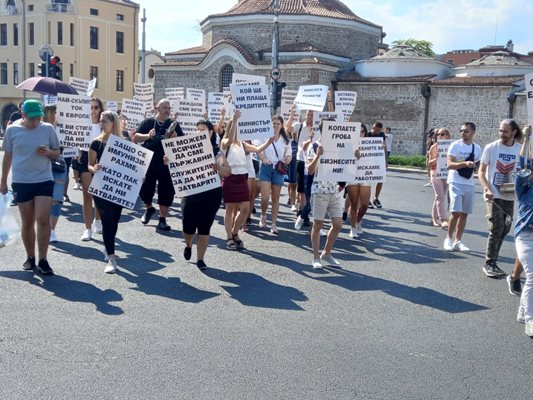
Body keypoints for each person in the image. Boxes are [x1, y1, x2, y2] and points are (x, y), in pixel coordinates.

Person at [0, 99, 60, 275]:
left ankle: (43, 259)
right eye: (32, 118)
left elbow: (57, 152)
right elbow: (7, 157)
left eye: (38, 118)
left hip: (44, 179)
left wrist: (49, 153)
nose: (35, 122)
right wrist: (3, 181)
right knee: (27, 222)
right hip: (21, 181)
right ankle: (30, 257)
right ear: (23, 115)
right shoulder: (12, 130)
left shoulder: (48, 128)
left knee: (42, 219)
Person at [179, 120, 232, 270]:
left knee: (204, 228)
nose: (199, 132)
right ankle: (188, 244)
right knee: (188, 227)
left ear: (210, 133)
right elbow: (177, 166)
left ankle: (200, 259)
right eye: (197, 129)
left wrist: (218, 168)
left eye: (203, 130)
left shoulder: (217, 152)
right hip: (191, 192)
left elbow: (228, 172)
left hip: (211, 195)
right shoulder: (187, 149)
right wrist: (169, 161)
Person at [220, 111, 274, 250]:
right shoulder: (225, 141)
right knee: (230, 208)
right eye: (235, 126)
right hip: (230, 176)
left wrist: (268, 142)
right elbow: (230, 139)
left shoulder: (242, 144)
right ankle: (229, 237)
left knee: (245, 207)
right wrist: (234, 120)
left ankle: (235, 232)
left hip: (242, 176)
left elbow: (257, 149)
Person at [478, 119, 522, 277]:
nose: (501, 134)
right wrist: (486, 188)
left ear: (514, 132)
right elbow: (481, 171)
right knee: (496, 227)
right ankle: (489, 262)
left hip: (510, 194)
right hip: (493, 195)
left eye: (505, 131)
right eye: (500, 131)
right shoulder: (491, 148)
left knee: (505, 228)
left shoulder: (520, 149)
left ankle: (493, 260)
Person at [134, 99, 183, 231]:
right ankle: (149, 208)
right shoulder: (148, 122)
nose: (167, 110)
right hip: (149, 162)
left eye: (169, 108)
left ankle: (162, 220)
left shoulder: (173, 124)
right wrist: (148, 136)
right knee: (144, 189)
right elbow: (136, 137)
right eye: (165, 107)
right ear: (157, 108)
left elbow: (182, 144)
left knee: (166, 191)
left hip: (166, 163)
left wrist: (175, 138)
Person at [88, 111, 125, 274]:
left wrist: (140, 177)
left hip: (119, 188)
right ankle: (111, 257)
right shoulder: (95, 143)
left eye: (104, 121)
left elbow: (132, 167)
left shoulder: (123, 143)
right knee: (107, 221)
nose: (101, 124)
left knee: (114, 222)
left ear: (113, 123)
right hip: (101, 187)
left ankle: (107, 246)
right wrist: (93, 168)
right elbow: (89, 165)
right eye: (101, 121)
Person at [307, 118, 344, 268]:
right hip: (319, 190)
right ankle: (316, 258)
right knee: (318, 224)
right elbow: (309, 170)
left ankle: (326, 253)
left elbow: (345, 165)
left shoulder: (338, 147)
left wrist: (355, 156)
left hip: (333, 190)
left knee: (338, 224)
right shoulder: (314, 145)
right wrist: (318, 155)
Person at [443, 122, 482, 252]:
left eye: (466, 131)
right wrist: (465, 163)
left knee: (464, 214)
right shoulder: (455, 145)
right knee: (456, 212)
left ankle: (458, 241)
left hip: (469, 183)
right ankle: (448, 238)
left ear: (473, 132)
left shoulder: (477, 148)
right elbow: (449, 164)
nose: (463, 133)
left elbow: (480, 168)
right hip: (455, 182)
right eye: (461, 131)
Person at [513, 123, 533, 337]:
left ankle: (522, 312)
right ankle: (530, 320)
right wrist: (526, 139)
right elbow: (522, 165)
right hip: (526, 235)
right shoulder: (525, 187)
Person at [257, 115, 292, 234]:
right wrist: (263, 158)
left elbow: (289, 153)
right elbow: (259, 150)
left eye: (278, 124)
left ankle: (273, 223)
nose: (275, 126)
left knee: (276, 198)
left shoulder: (285, 139)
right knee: (265, 197)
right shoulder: (265, 136)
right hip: (266, 168)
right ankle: (263, 215)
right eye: (274, 123)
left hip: (278, 169)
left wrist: (288, 158)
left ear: (282, 126)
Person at [78, 97, 104, 241]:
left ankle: (98, 220)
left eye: (96, 107)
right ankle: (87, 229)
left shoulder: (103, 124)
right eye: (91, 107)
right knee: (87, 194)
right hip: (84, 157)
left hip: (100, 159)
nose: (93, 110)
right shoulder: (81, 123)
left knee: (98, 194)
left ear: (100, 109)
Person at [42, 105, 67, 243]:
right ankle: (44, 227)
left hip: (58, 166)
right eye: (56, 112)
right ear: (50, 114)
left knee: (56, 198)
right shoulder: (41, 129)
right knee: (43, 199)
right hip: (42, 166)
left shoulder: (62, 128)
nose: (59, 114)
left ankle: (52, 230)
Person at [287, 108, 315, 229]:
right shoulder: (299, 126)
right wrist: (292, 113)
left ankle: (303, 209)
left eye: (312, 115)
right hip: (301, 159)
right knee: (303, 189)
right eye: (308, 114)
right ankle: (305, 212)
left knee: (310, 188)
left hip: (313, 160)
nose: (310, 117)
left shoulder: (318, 128)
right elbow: (287, 128)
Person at [346, 123, 371, 238]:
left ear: (365, 133)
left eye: (362, 132)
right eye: (358, 132)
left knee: (365, 205)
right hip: (352, 176)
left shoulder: (370, 145)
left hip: (365, 176)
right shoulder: (349, 145)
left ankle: (358, 220)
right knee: (354, 203)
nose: (360, 134)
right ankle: (352, 228)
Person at [427, 128, 451, 228]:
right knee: (440, 196)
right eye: (438, 134)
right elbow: (429, 163)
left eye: (442, 134)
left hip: (446, 173)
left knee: (440, 196)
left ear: (448, 136)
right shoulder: (434, 147)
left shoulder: (451, 147)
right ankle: (444, 219)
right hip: (435, 172)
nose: (439, 136)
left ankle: (433, 218)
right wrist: (436, 158)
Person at [367, 121, 387, 208]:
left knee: (380, 178)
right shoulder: (368, 134)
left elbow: (384, 146)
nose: (376, 131)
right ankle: (366, 199)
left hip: (379, 160)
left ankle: (376, 198)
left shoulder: (382, 135)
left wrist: (385, 160)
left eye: (378, 130)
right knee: (367, 180)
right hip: (368, 160)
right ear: (373, 127)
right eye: (375, 129)